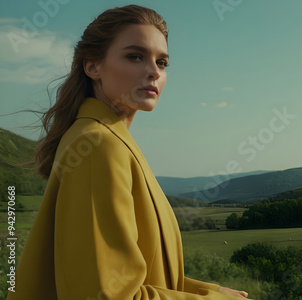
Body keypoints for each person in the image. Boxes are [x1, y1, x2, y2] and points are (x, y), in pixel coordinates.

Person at [7, 5, 251, 300]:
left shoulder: (105, 139)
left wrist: (208, 289)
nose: (153, 72)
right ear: (92, 66)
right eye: (135, 56)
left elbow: (135, 274)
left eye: (162, 63)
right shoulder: (98, 146)